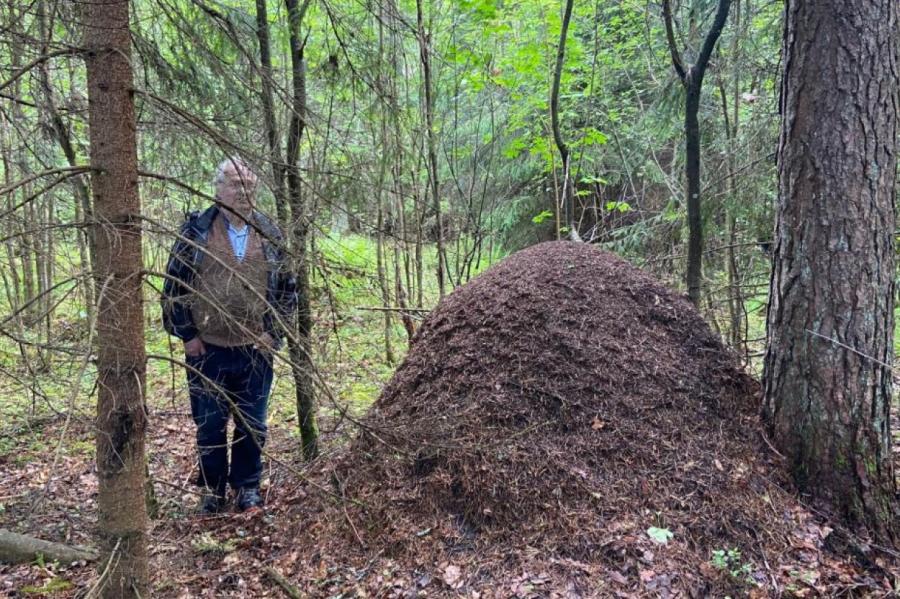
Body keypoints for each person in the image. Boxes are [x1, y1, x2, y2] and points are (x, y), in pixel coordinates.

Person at [161, 157, 296, 513]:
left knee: (252, 424)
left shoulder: (270, 233)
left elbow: (287, 289)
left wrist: (273, 335)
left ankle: (247, 487)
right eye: (236, 185)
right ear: (218, 188)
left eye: (249, 187)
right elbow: (174, 286)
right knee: (209, 425)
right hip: (208, 350)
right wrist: (187, 335)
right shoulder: (197, 230)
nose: (243, 193)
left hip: (255, 350)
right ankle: (212, 490)